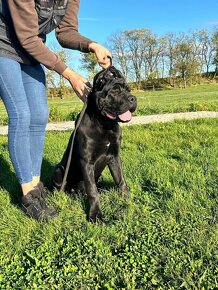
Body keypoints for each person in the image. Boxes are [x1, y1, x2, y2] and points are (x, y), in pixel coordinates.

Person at [0, 0, 111, 220]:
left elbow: (66, 32)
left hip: (32, 52)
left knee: (40, 114)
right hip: (3, 47)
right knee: (21, 115)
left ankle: (36, 186)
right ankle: (28, 196)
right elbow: (27, 37)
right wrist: (70, 74)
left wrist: (93, 45)